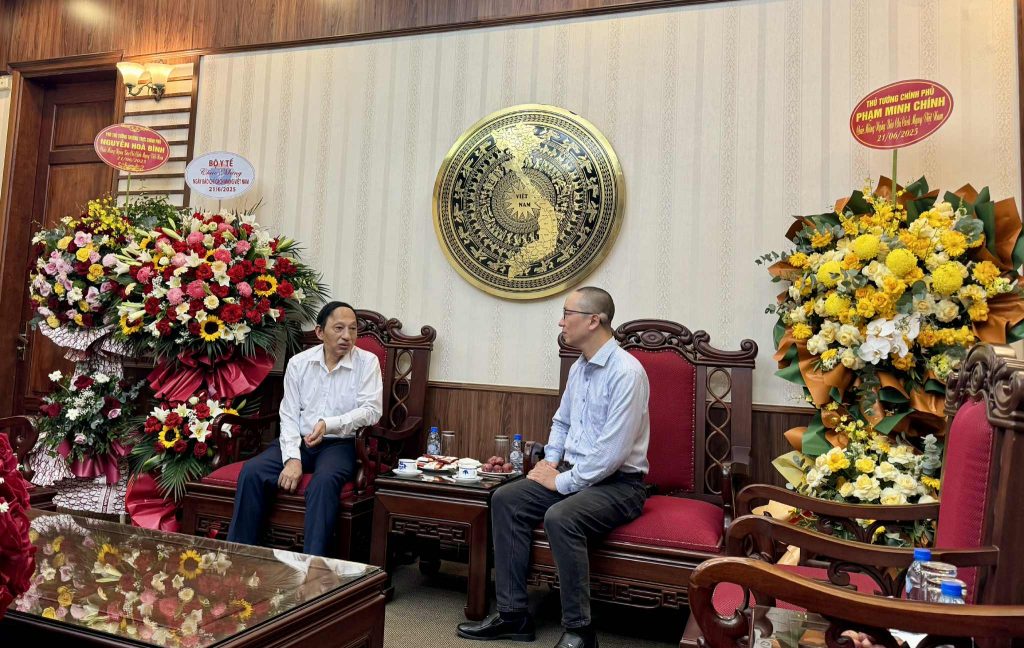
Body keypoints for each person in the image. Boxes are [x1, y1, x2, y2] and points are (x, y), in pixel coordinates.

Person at [457, 287, 650, 648]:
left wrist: (560, 482)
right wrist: (549, 462)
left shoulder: (627, 373)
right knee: (506, 499)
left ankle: (580, 631)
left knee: (561, 517)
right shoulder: (579, 368)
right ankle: (514, 616)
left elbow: (612, 454)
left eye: (567, 314)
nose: (561, 322)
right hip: (573, 471)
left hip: (620, 485)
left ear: (593, 321)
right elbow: (561, 422)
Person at [227, 301, 383, 556]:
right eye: (339, 328)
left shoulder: (367, 362)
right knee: (253, 471)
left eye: (353, 329)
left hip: (339, 444)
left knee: (324, 482)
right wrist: (292, 459)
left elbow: (371, 411)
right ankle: (240, 555)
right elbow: (288, 414)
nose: (347, 336)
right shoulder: (299, 363)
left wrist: (329, 424)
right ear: (320, 332)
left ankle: (313, 564)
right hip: (298, 440)